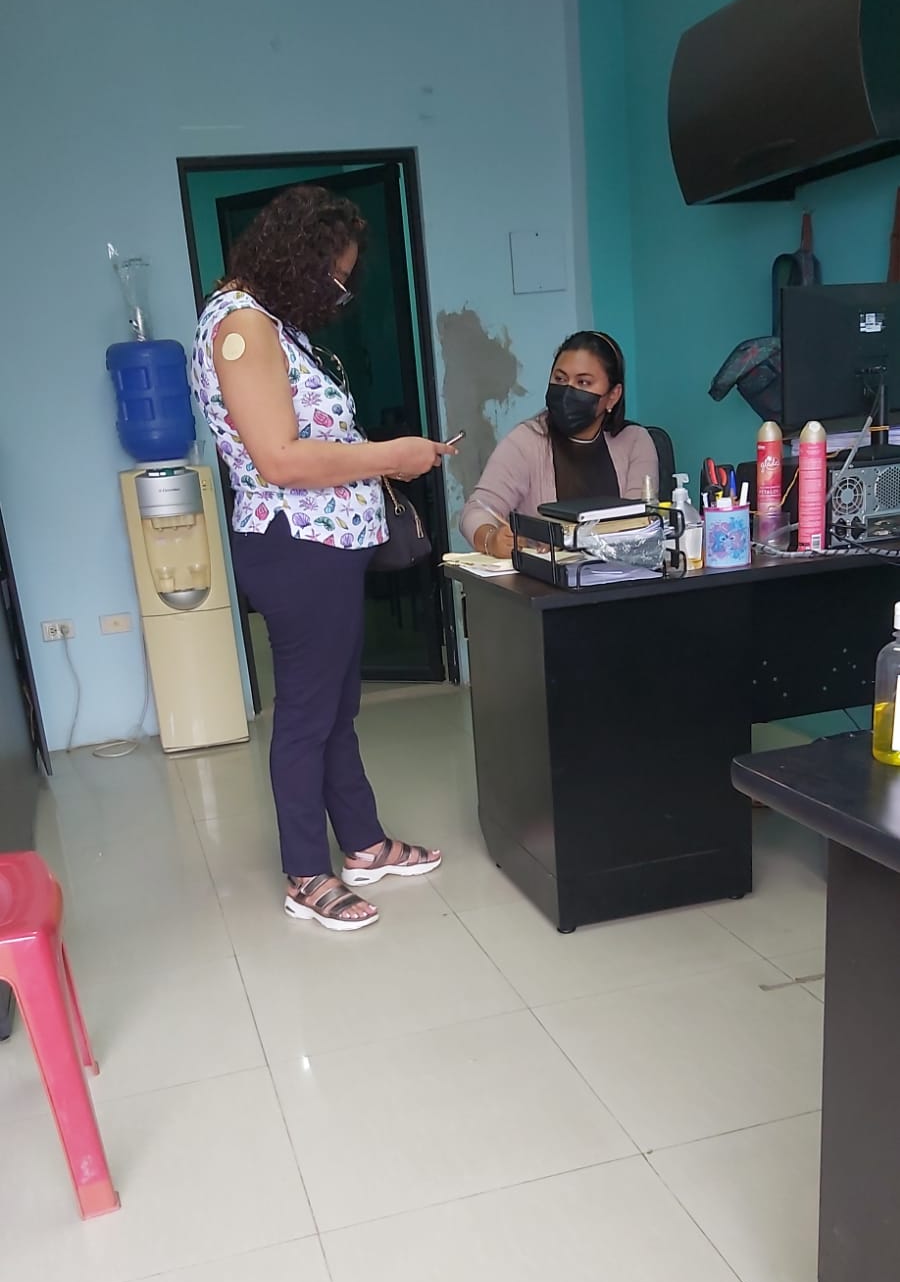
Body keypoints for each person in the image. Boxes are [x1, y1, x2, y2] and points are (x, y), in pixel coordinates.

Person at [191, 184, 450, 932]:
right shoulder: (243, 326)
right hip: (296, 545)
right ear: (297, 260)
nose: (340, 291)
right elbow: (278, 458)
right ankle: (306, 872)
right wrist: (392, 456)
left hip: (325, 544)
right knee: (308, 714)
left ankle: (364, 843)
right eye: (333, 275)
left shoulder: (270, 324)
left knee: (336, 706)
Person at [460, 330, 658, 555]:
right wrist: (491, 539)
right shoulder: (527, 440)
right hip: (547, 575)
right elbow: (477, 510)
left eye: (583, 382)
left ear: (613, 395)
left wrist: (576, 540)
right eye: (560, 379)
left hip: (621, 573)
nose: (568, 391)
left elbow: (640, 525)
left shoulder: (635, 441)